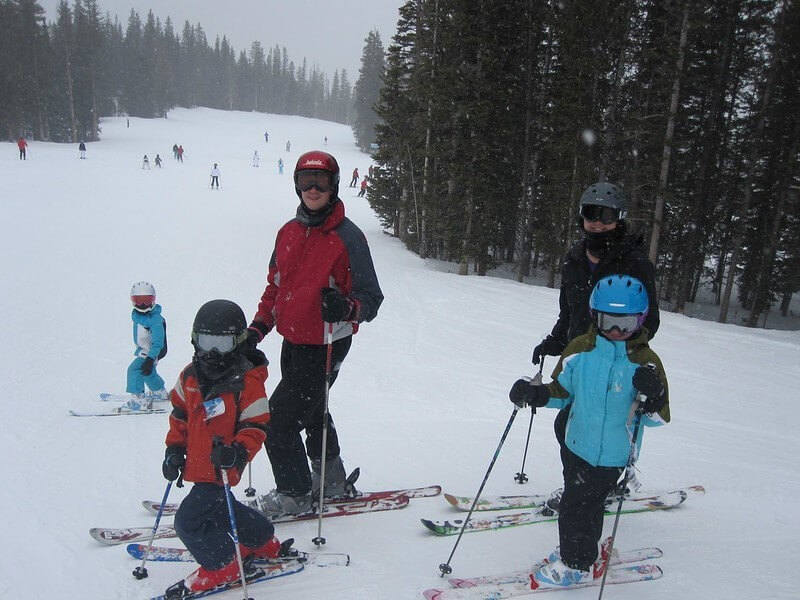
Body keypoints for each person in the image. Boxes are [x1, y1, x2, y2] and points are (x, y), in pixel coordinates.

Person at [509, 274, 669, 589]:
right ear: (595, 316)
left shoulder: (646, 362)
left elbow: (659, 418)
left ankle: (576, 564)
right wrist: (535, 394)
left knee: (574, 506)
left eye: (627, 324)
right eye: (609, 321)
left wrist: (655, 396)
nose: (617, 331)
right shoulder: (580, 349)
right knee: (585, 504)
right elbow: (561, 391)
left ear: (641, 320)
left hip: (612, 455)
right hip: (575, 443)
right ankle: (583, 548)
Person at [246, 150, 383, 516]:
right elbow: (275, 288)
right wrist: (256, 330)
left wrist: (348, 307)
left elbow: (372, 297)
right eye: (305, 180)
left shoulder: (348, 238)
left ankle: (294, 493)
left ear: (334, 185)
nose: (313, 188)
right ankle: (331, 480)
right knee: (313, 409)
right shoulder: (288, 233)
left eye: (321, 181)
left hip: (326, 344)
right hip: (292, 343)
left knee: (278, 421)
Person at [531, 182, 659, 491]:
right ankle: (578, 485)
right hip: (580, 360)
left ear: (619, 218)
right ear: (581, 216)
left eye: (606, 215)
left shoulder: (635, 262)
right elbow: (570, 313)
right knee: (567, 426)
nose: (597, 222)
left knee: (609, 429)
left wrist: (617, 351)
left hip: (616, 361)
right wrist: (554, 343)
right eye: (591, 213)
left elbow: (649, 321)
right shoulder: (574, 259)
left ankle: (599, 486)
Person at [162, 299, 281, 596]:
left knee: (188, 521)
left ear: (238, 342)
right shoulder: (189, 376)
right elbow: (180, 415)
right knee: (222, 509)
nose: (213, 353)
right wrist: (174, 450)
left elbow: (256, 425)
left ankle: (223, 564)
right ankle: (262, 541)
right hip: (200, 463)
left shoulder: (247, 381)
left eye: (223, 344)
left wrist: (238, 452)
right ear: (195, 340)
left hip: (224, 464)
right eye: (206, 342)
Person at [126, 282, 168, 409]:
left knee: (134, 370)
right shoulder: (138, 316)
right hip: (146, 349)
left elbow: (158, 342)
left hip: (151, 351)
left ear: (153, 300)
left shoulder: (155, 320)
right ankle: (160, 392)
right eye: (138, 301)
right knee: (148, 372)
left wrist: (150, 359)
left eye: (146, 301)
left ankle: (138, 400)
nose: (142, 305)